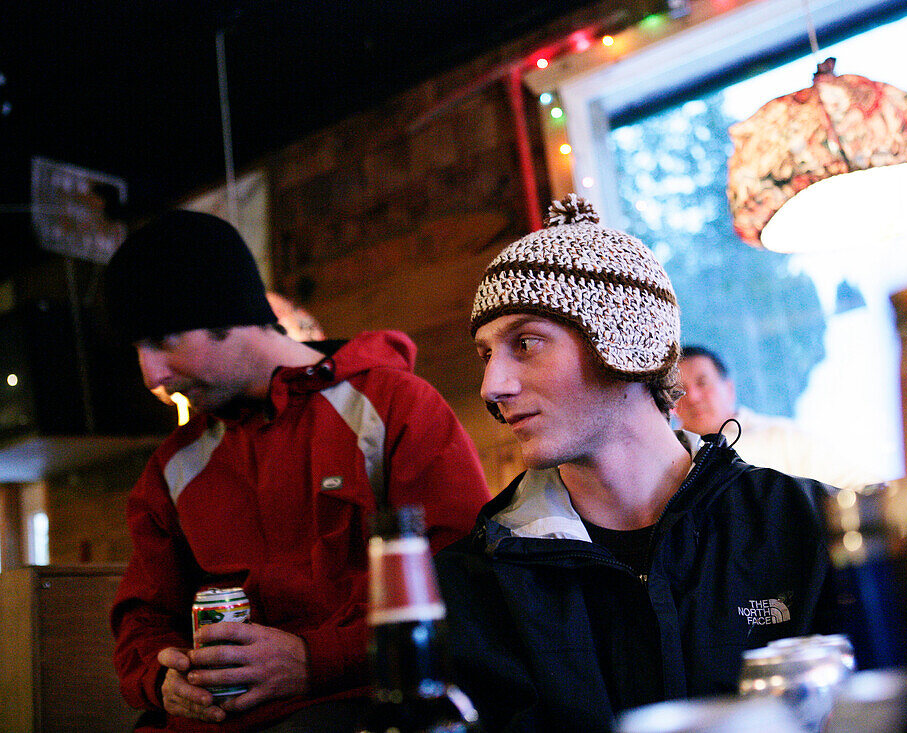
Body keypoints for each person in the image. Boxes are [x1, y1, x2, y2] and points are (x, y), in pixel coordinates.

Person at [434, 195, 841, 733]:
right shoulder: (477, 583)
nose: (493, 387)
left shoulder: (803, 523)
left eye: (526, 343)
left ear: (626, 344)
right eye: (487, 354)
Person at [103, 211, 492, 732]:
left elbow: (462, 587)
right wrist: (162, 677)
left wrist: (314, 659)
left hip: (358, 709)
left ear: (229, 313)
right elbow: (143, 619)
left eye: (164, 340)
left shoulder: (393, 407)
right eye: (137, 350)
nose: (152, 375)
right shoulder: (172, 467)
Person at [675, 345, 879, 491]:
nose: (692, 397)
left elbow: (858, 483)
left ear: (729, 389)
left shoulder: (781, 437)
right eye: (680, 390)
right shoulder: (674, 467)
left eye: (702, 383)